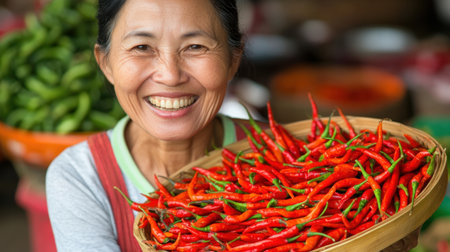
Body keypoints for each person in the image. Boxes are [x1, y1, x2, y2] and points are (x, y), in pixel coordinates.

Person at [46, 0, 247, 251]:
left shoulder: (287, 153)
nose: (170, 75)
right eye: (141, 47)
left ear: (233, 60)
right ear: (106, 63)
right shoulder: (82, 176)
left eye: (195, 46)